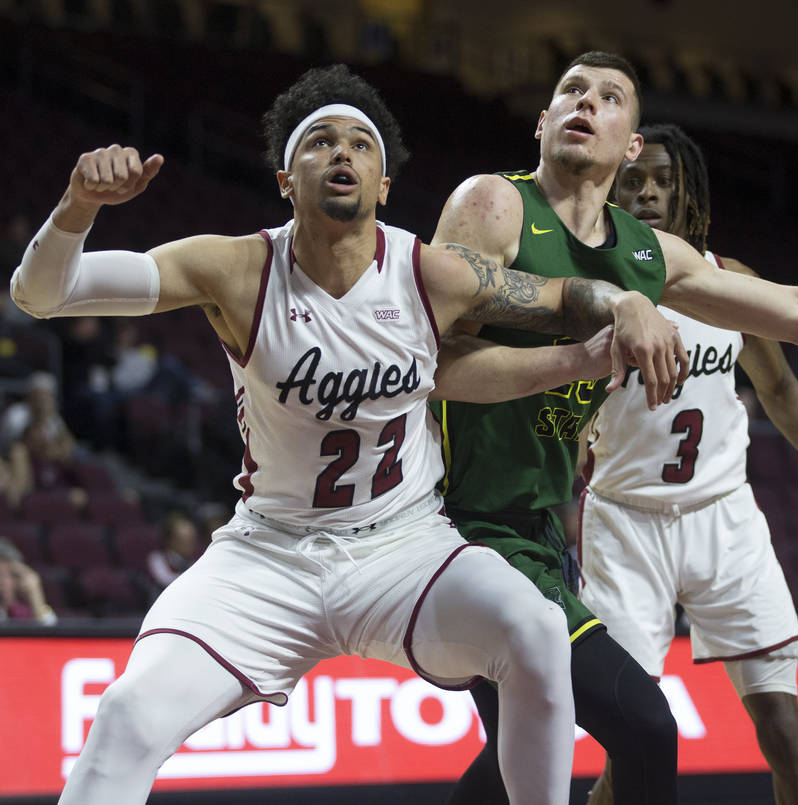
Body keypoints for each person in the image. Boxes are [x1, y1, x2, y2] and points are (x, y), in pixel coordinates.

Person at [10, 64, 685, 805]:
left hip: (402, 545)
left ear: (384, 184)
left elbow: (560, 295)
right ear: (284, 179)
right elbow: (41, 294)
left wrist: (624, 305)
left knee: (534, 628)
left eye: (362, 144)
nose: (343, 154)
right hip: (268, 555)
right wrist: (77, 208)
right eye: (322, 141)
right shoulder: (236, 268)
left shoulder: (429, 273)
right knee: (127, 712)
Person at [431, 50, 798, 805]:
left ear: (631, 143)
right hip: (465, 522)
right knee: (607, 735)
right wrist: (594, 327)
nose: (587, 101)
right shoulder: (492, 203)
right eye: (571, 91)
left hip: (567, 531)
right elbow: (436, 354)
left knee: (545, 750)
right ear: (542, 121)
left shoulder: (651, 256)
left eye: (610, 96)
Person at [576, 121, 798, 805]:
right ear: (613, 190)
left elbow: (779, 386)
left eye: (665, 180)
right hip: (625, 523)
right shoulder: (592, 290)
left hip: (724, 517)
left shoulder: (730, 282)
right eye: (635, 180)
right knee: (634, 739)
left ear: (689, 193)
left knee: (786, 730)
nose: (649, 191)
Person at [0, 537, 57, 624]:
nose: (5, 582)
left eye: (14, 575)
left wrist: (35, 596)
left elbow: (51, 632)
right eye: (1, 575)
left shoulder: (20, 613)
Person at [146, 511, 202, 589]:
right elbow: (166, 581)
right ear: (169, 540)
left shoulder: (195, 560)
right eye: (183, 541)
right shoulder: (157, 559)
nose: (190, 545)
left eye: (192, 540)